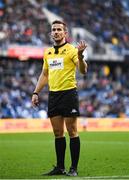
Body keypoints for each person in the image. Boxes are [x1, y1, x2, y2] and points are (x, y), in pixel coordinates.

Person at [32, 20, 87, 176]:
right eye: (54, 29)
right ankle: (60, 167)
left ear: (65, 33)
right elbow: (44, 74)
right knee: (58, 133)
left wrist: (81, 56)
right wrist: (36, 92)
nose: (56, 32)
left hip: (69, 94)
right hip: (54, 95)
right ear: (51, 33)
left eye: (59, 30)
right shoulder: (48, 52)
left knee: (72, 131)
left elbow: (83, 71)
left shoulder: (72, 50)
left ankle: (73, 168)